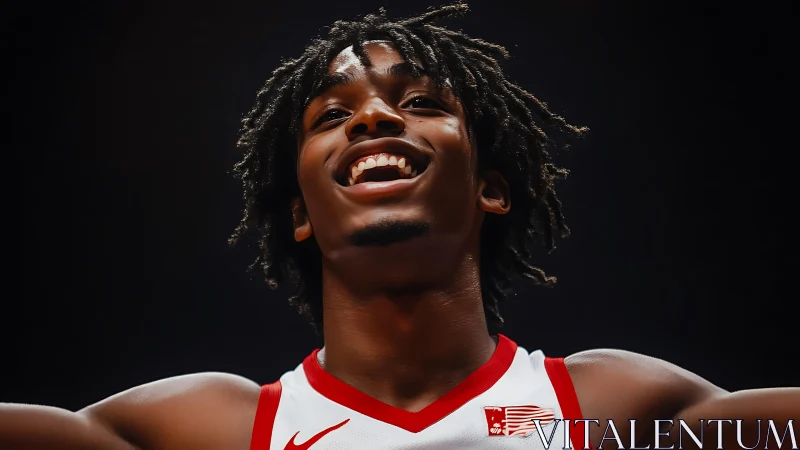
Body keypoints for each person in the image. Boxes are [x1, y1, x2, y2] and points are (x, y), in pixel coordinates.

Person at [2, 4, 796, 450]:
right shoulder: (208, 429)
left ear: (491, 188)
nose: (376, 116)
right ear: (299, 215)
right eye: (333, 115)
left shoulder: (615, 410)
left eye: (421, 104)